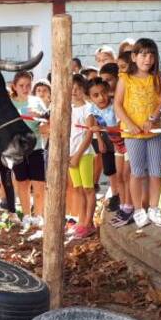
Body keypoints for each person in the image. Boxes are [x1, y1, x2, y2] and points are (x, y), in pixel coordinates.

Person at [115, 38, 161, 228]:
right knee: (136, 172)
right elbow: (118, 105)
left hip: (152, 133)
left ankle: (154, 207)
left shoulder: (157, 78)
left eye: (152, 54)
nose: (148, 59)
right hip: (133, 135)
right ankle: (138, 209)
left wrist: (152, 119)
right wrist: (130, 124)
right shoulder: (125, 79)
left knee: (156, 172)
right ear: (134, 57)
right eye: (143, 54)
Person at [9, 71, 47, 226]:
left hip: (36, 146)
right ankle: (26, 215)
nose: (25, 88)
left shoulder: (37, 101)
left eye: (28, 85)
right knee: (22, 183)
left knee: (39, 183)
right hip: (17, 148)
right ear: (15, 86)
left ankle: (38, 215)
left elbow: (46, 121)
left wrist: (40, 116)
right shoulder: (9, 102)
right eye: (21, 85)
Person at [68, 75, 97, 238]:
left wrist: (78, 154)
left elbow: (88, 134)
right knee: (78, 189)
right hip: (70, 154)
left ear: (82, 90)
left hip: (84, 154)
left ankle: (88, 222)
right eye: (71, 88)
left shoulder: (88, 108)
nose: (74, 92)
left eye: (77, 89)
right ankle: (81, 220)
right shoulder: (68, 108)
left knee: (88, 188)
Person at [87, 77, 119, 214]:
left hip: (120, 141)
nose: (101, 97)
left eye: (103, 93)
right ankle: (116, 194)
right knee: (110, 170)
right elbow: (96, 125)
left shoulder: (115, 105)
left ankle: (124, 195)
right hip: (106, 142)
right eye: (96, 95)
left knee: (122, 171)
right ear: (90, 98)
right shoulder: (93, 109)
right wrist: (100, 141)